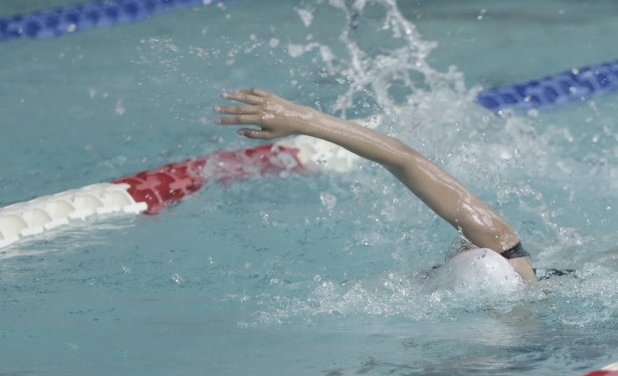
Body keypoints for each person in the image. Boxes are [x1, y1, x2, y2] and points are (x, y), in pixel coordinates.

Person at [214, 88, 537, 285]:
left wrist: (304, 118)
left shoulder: (499, 245)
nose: (464, 242)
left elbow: (405, 158)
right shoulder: (510, 265)